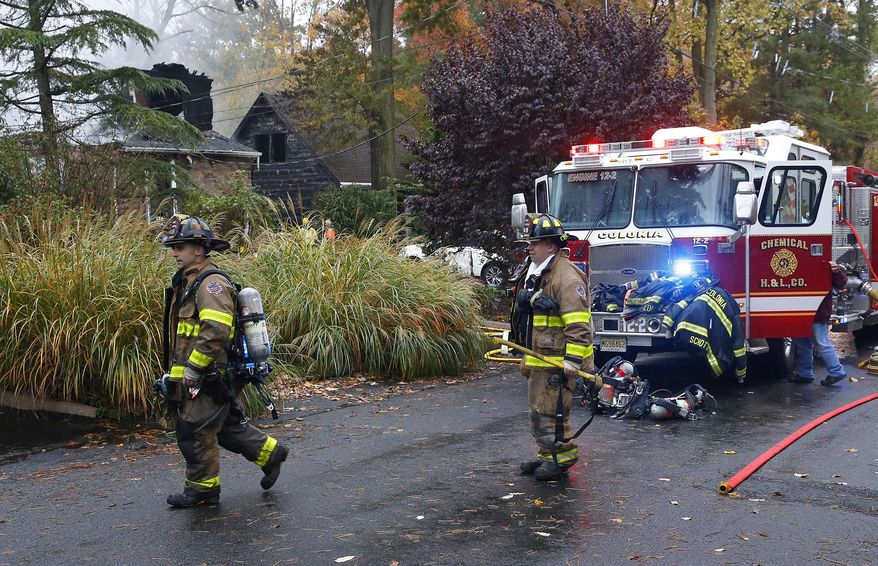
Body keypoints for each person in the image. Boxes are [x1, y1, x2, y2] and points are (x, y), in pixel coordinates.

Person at [160, 215, 289, 508]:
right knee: (225, 426)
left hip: (210, 373)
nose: (174, 253)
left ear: (200, 248)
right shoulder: (189, 282)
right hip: (205, 373)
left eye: (180, 246)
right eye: (173, 247)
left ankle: (202, 489)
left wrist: (193, 368)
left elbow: (216, 329)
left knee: (196, 429)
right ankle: (271, 454)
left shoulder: (211, 284)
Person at [510, 214, 594, 481]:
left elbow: (579, 325)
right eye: (529, 242)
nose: (529, 247)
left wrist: (572, 361)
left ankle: (561, 458)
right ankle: (547, 455)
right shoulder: (535, 269)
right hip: (539, 356)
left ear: (551, 245)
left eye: (535, 242)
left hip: (557, 359)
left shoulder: (566, 277)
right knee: (539, 409)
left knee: (552, 412)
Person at [790, 260, 848, 386]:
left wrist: (835, 270)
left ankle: (837, 371)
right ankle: (804, 373)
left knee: (821, 342)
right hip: (800, 311)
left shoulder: (827, 263)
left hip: (816, 311)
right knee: (802, 342)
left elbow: (841, 283)